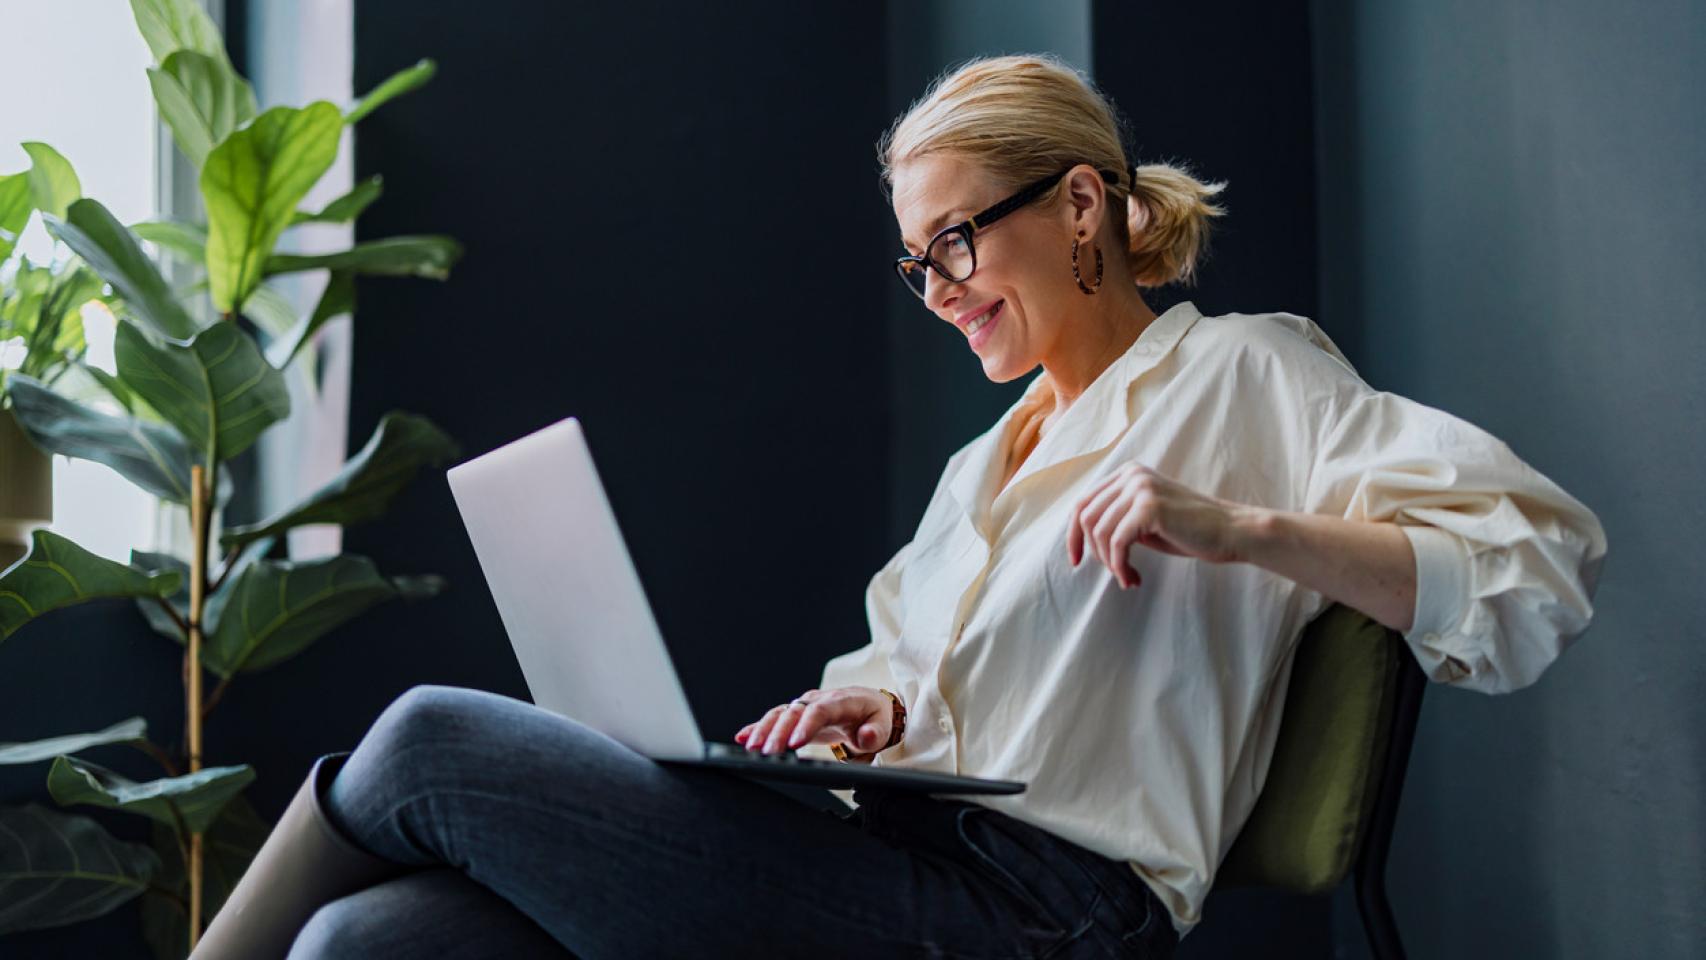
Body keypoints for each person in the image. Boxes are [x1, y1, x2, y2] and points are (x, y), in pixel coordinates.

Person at [192, 53, 1608, 960]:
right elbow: (909, 677)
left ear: (1076, 206)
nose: (936, 291)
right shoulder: (978, 466)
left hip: (1046, 916)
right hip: (893, 858)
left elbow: (1529, 570)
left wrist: (1241, 531)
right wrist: (867, 716)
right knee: (370, 946)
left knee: (427, 741)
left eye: (953, 242)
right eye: (913, 265)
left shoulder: (1243, 374)